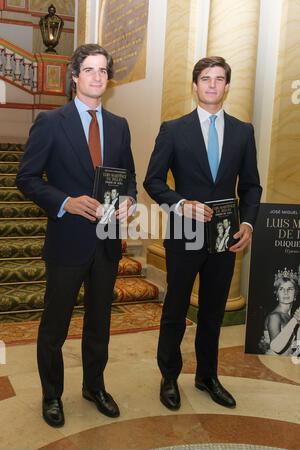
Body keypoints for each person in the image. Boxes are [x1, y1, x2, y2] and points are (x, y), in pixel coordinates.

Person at [16, 43, 137, 427]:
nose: (97, 77)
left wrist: (131, 200)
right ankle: (52, 395)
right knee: (55, 326)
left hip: (106, 241)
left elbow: (129, 177)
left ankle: (94, 386)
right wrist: (65, 201)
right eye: (89, 70)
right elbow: (27, 179)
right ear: (74, 77)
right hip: (67, 240)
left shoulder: (119, 125)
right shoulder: (51, 122)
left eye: (103, 71)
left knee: (99, 322)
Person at [144, 56, 262, 410]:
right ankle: (169, 375)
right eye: (205, 78)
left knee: (212, 312)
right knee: (175, 309)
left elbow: (252, 186)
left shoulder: (243, 131)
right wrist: (180, 204)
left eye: (219, 78)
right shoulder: (173, 129)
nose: (212, 84)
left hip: (226, 238)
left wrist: (248, 223)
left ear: (227, 86)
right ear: (195, 86)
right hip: (184, 235)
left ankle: (207, 376)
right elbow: (152, 180)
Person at [259, 269, 300, 355]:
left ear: (295, 293)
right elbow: (276, 348)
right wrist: (295, 320)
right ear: (276, 294)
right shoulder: (274, 316)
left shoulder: (291, 316)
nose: (286, 292)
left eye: (290, 289)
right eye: (281, 289)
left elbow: (294, 347)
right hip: (274, 363)